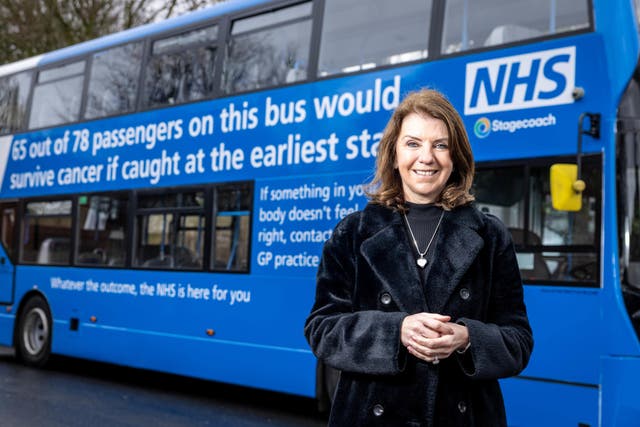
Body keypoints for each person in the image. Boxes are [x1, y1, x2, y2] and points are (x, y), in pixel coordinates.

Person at [304, 89, 533, 426]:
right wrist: (396, 331)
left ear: (455, 157)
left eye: (440, 145)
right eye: (413, 143)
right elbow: (322, 330)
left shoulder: (490, 235)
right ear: (394, 155)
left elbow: (519, 341)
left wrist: (466, 338)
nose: (427, 157)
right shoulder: (353, 233)